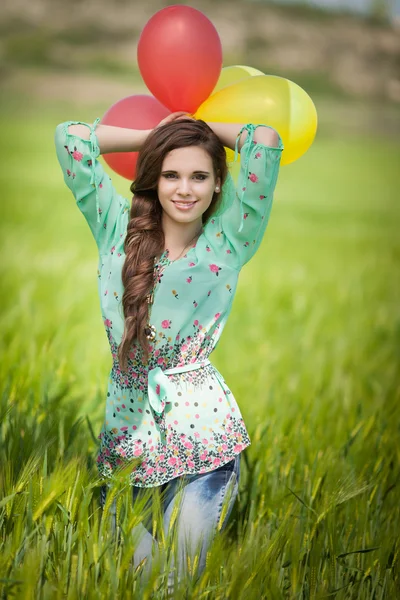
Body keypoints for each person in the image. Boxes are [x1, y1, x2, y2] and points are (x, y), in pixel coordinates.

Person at [54, 112, 283, 591]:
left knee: (177, 583)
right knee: (133, 580)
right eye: (171, 174)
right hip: (127, 440)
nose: (185, 189)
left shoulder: (229, 240)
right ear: (153, 178)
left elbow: (264, 139)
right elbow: (70, 137)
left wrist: (199, 125)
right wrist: (155, 133)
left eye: (200, 176)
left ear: (219, 183)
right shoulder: (115, 227)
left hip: (204, 443)